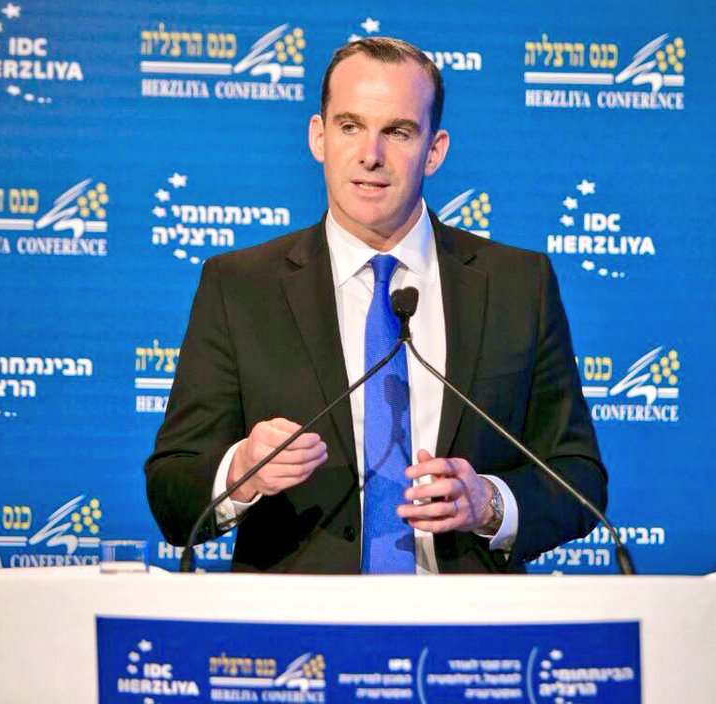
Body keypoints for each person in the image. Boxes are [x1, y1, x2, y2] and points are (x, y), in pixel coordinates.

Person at [146, 37, 607, 573]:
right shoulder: (240, 287)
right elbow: (172, 491)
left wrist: (489, 502)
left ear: (434, 150)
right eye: (350, 126)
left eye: (398, 132)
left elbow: (578, 478)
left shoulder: (518, 286)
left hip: (466, 618)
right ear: (318, 137)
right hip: (299, 619)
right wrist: (240, 472)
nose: (371, 154)